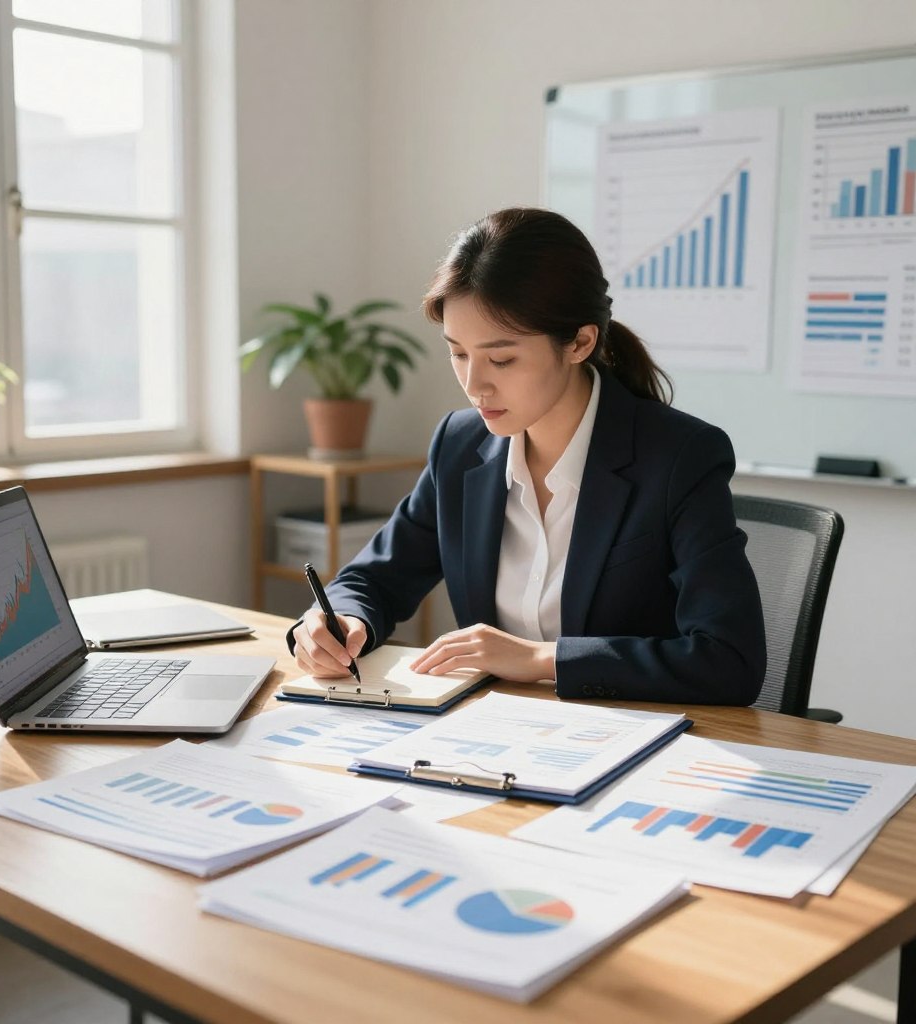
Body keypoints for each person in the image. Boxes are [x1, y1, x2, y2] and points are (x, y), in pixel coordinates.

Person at [289, 207, 766, 705]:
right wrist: (340, 619)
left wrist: (543, 659)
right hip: (498, 731)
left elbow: (729, 662)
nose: (474, 385)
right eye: (458, 353)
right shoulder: (459, 444)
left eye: (502, 358)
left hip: (631, 736)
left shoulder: (679, 457)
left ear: (580, 342)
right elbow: (374, 579)